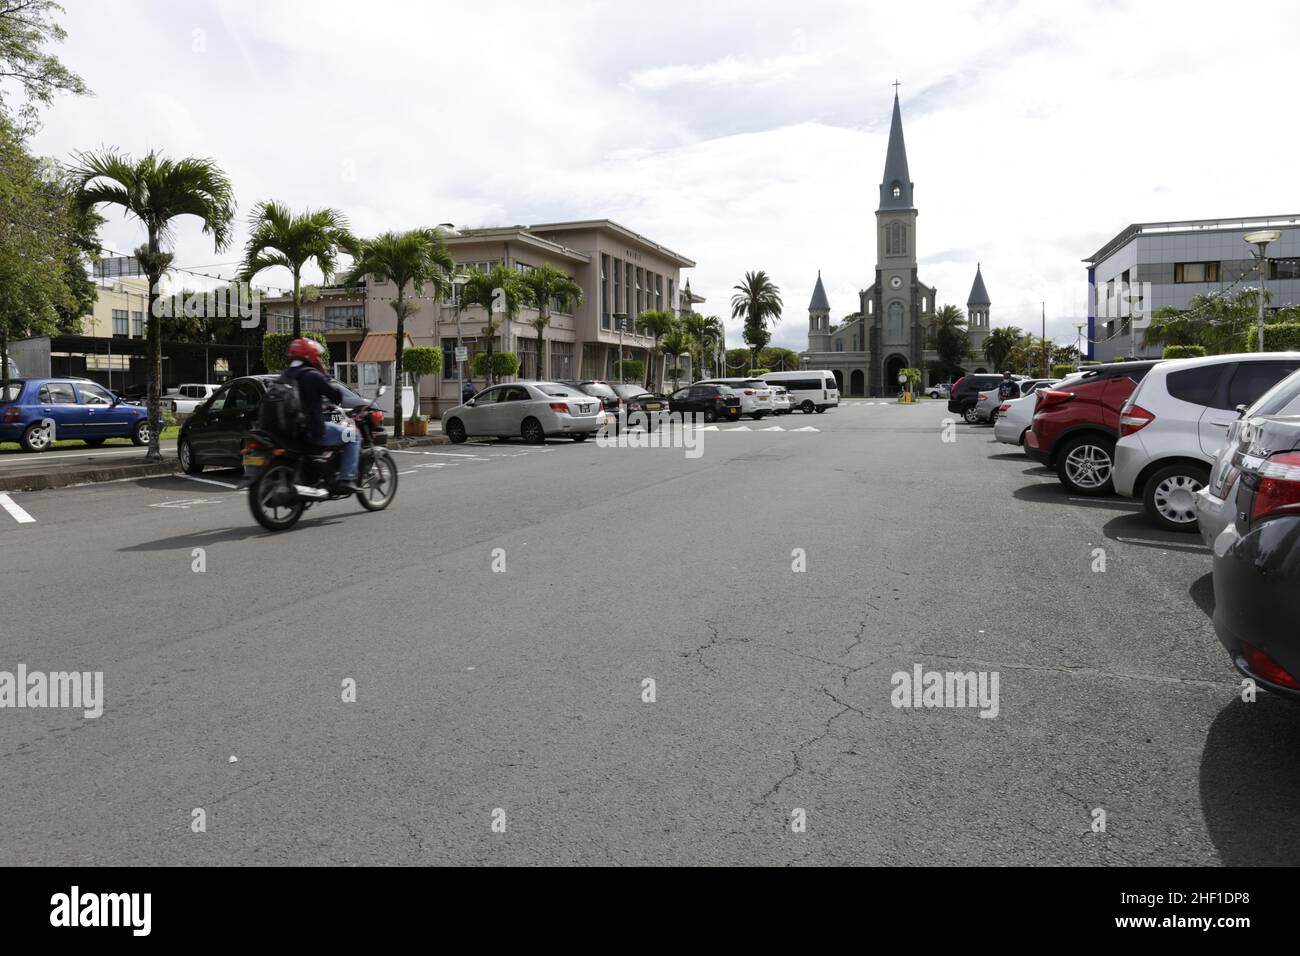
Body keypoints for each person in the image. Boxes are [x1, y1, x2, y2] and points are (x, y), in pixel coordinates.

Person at [283, 338, 361, 493]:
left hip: (290, 431)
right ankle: (346, 479)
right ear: (311, 357)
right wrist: (322, 371)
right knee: (353, 436)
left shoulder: (285, 376)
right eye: (317, 356)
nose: (318, 358)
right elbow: (337, 396)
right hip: (311, 430)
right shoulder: (312, 375)